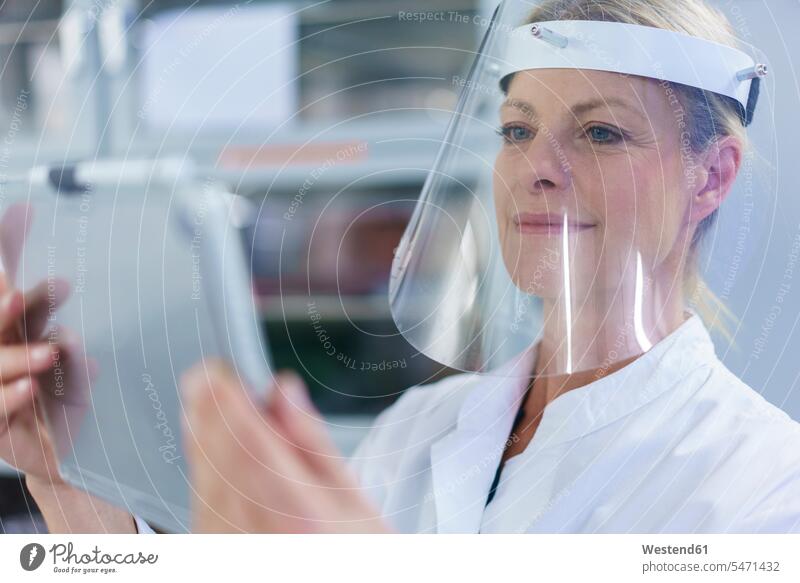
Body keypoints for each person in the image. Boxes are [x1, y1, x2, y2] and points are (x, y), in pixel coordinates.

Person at [3, 0, 800, 533]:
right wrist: (72, 476)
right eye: (518, 130)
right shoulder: (417, 430)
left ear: (712, 175)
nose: (536, 168)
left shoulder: (765, 488)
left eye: (600, 134)